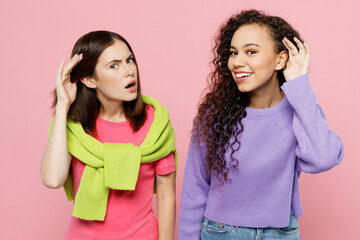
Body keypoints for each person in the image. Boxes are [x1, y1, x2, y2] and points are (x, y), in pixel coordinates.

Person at [178, 9, 344, 240]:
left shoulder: (301, 110)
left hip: (280, 233)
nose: (237, 62)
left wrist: (300, 86)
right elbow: (195, 187)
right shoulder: (215, 114)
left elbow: (323, 158)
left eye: (251, 52)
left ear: (280, 59)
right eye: (233, 53)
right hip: (221, 233)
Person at [41, 31, 177, 240]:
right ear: (89, 80)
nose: (129, 71)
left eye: (129, 60)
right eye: (114, 65)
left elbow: (166, 197)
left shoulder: (156, 123)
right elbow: (52, 179)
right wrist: (62, 106)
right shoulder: (73, 127)